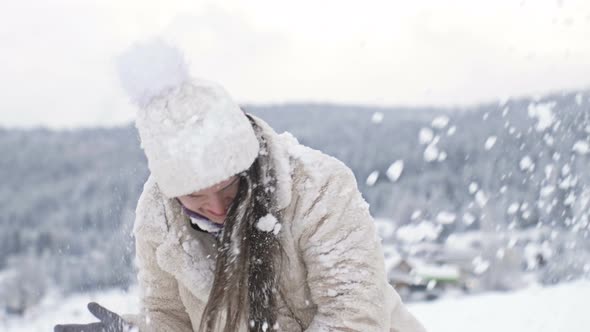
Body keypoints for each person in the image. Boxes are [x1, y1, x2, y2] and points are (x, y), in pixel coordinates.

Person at [54, 40, 427, 332]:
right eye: (195, 196)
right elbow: (172, 317)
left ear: (247, 165)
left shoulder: (319, 188)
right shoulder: (158, 217)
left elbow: (353, 318)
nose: (216, 208)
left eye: (229, 188)